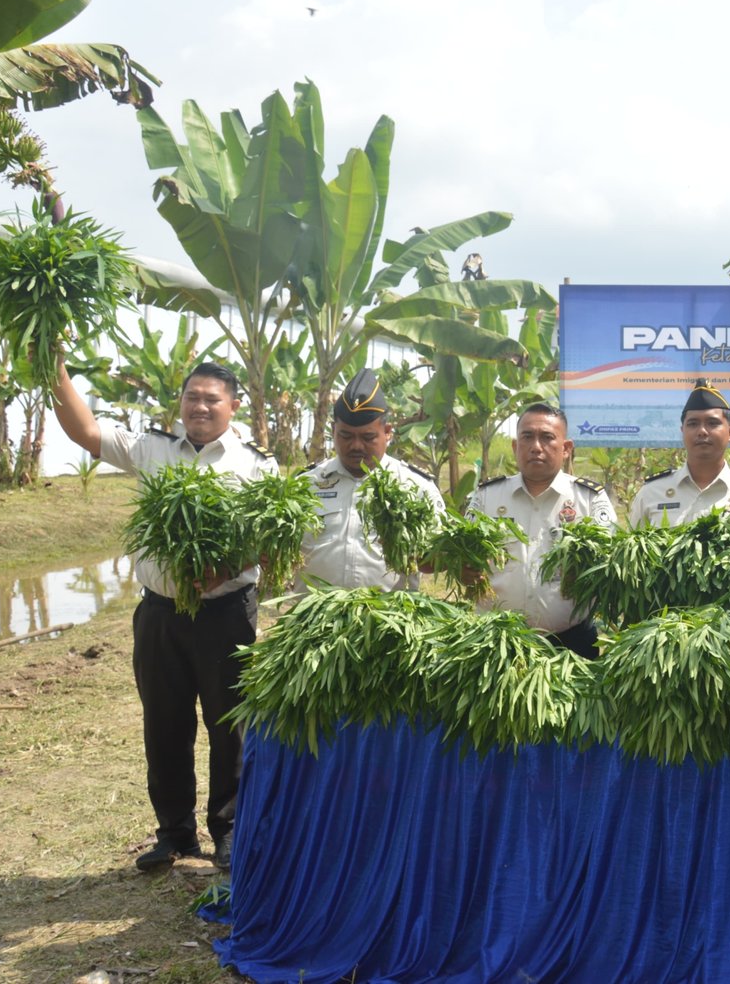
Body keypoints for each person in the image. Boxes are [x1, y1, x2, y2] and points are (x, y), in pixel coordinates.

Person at [50, 356, 275, 872]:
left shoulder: (256, 463)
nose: (199, 406)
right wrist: (55, 369)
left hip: (226, 613)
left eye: (211, 399)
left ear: (233, 406)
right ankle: (175, 834)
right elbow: (85, 430)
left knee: (229, 725)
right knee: (165, 724)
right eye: (192, 396)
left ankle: (229, 830)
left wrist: (224, 570)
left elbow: (268, 538)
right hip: (160, 614)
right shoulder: (150, 448)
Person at [468, 403, 618, 658]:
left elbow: (611, 565)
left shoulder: (590, 499)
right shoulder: (487, 497)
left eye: (547, 437)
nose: (536, 446)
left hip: (571, 643)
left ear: (566, 448)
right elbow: (465, 560)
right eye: (527, 437)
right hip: (498, 641)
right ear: (516, 447)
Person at [297, 369, 442, 590]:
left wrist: (414, 549)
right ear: (333, 430)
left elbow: (435, 561)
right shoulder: (306, 484)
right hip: (316, 619)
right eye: (345, 436)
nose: (356, 445)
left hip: (387, 619)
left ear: (387, 432)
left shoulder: (417, 488)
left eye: (368, 437)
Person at [628, 379, 730, 525]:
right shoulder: (652, 492)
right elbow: (632, 545)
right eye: (693, 424)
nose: (702, 431)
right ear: (682, 432)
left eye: (712, 423)